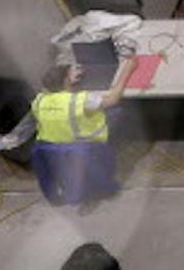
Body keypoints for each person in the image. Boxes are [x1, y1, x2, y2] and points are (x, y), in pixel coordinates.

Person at [32, 57, 133, 205]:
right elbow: (113, 99)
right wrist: (127, 70)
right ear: (68, 81)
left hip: (53, 151)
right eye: (69, 75)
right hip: (87, 146)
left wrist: (69, 78)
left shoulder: (39, 101)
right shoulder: (79, 100)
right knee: (117, 111)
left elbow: (54, 95)